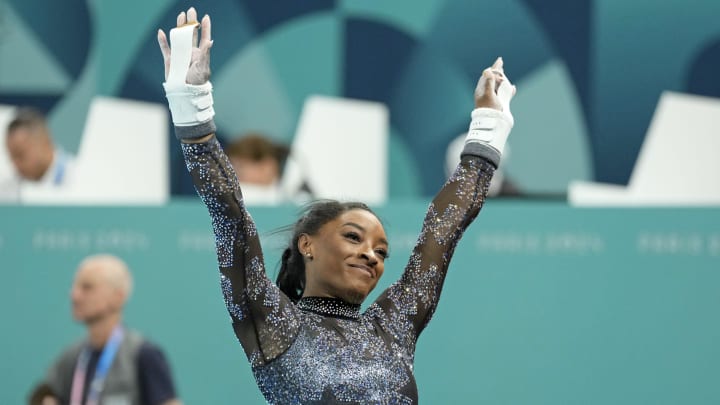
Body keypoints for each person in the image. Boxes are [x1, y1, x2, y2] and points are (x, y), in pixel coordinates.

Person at [157, 7, 516, 403]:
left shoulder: (392, 327)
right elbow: (230, 216)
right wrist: (192, 108)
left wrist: (488, 126)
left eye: (380, 251)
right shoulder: (275, 323)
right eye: (353, 237)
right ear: (307, 244)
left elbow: (441, 234)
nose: (371, 256)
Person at [32, 254, 182, 405]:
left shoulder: (143, 355)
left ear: (118, 297)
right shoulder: (71, 358)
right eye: (74, 287)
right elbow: (43, 395)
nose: (74, 295)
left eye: (87, 287)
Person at [0, 107, 76, 202]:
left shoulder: (82, 179)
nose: (15, 165)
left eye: (20, 155)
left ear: (45, 143)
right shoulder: (7, 190)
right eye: (12, 158)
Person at [225, 133, 312, 205]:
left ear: (267, 167)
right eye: (231, 167)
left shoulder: (299, 200)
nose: (234, 174)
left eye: (241, 167)